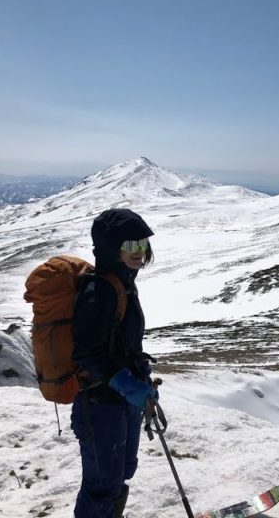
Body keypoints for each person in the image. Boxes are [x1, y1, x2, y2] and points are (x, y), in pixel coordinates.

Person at [71, 208, 160, 518]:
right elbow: (86, 354)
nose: (139, 252)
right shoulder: (98, 291)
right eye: (130, 245)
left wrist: (141, 380)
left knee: (123, 470)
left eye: (142, 244)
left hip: (124, 402)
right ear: (111, 248)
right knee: (102, 484)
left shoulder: (125, 285)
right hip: (100, 405)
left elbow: (125, 346)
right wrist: (125, 383)